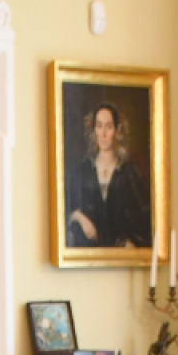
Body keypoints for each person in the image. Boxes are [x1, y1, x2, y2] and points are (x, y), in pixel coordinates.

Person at [65, 102, 149, 249]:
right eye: (99, 126)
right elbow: (67, 211)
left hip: (121, 252)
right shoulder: (83, 172)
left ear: (116, 131)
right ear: (94, 131)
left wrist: (131, 242)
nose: (103, 134)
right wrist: (79, 218)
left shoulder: (129, 172)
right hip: (90, 250)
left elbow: (144, 216)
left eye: (108, 127)